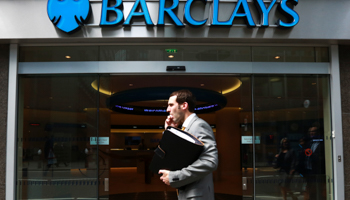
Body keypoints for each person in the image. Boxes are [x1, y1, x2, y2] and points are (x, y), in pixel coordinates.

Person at [158, 89, 219, 200]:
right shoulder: (184, 129)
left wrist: (174, 177)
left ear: (184, 105)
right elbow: (177, 156)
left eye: (171, 105)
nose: (167, 109)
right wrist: (169, 132)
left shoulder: (199, 125)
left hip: (197, 195)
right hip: (188, 193)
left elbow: (210, 162)